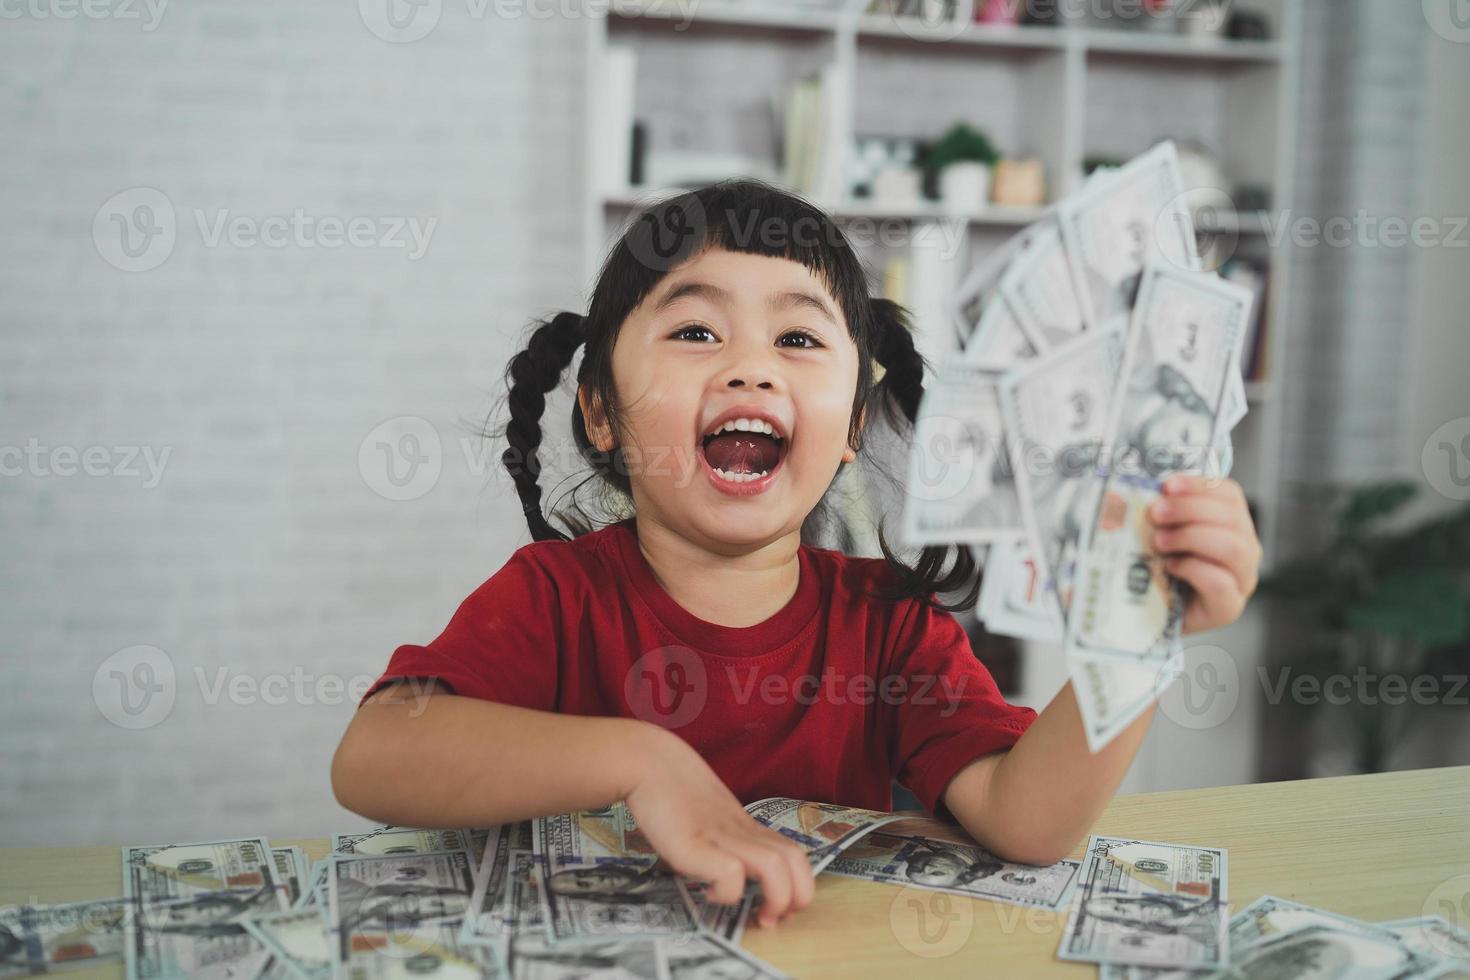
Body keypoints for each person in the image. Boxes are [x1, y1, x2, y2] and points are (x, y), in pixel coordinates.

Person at [331, 179, 1262, 930]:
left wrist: (1142, 631)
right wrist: (641, 761)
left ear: (854, 423)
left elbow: (1030, 822)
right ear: (602, 412)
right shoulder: (555, 598)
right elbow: (372, 759)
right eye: (695, 331)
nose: (750, 366)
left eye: (800, 337)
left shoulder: (889, 623)